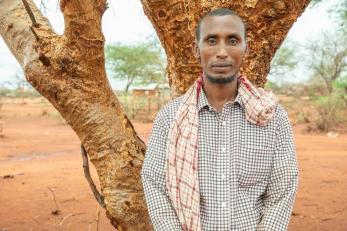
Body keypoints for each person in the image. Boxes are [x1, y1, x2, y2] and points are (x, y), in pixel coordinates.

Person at [141, 8, 299, 231]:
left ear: (247, 48)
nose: (222, 52)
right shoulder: (170, 118)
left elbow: (282, 192)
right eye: (212, 40)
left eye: (233, 40)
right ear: (197, 50)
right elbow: (154, 184)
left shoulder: (272, 117)